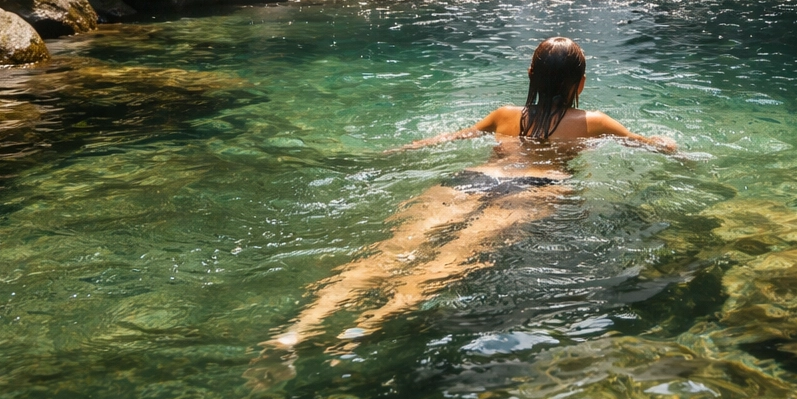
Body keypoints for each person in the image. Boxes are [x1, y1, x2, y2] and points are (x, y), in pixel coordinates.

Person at [252, 37, 674, 372]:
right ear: (580, 83)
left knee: (388, 253)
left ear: (530, 73)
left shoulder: (504, 115)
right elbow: (651, 147)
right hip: (534, 189)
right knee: (448, 262)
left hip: (473, 181)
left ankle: (296, 330)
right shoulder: (592, 122)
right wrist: (670, 147)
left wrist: (402, 149)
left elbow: (449, 138)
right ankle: (359, 331)